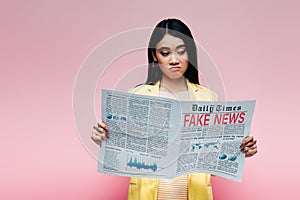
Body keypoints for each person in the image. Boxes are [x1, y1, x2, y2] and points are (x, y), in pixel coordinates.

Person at [91, 18, 258, 200]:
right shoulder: (136, 96)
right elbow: (124, 156)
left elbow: (212, 164)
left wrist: (239, 150)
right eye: (165, 53)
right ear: (155, 56)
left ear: (189, 53)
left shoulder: (209, 98)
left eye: (181, 51)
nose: (174, 60)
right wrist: (104, 139)